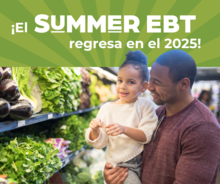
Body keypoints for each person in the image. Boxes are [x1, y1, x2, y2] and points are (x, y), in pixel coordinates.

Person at [104, 49, 220, 184]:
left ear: (183, 84)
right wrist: (117, 176)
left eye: (157, 82)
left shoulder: (202, 127)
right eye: (150, 79)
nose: (149, 87)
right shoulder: (156, 113)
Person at [85, 50, 158, 184]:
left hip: (144, 162)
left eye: (130, 82)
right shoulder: (107, 109)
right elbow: (100, 143)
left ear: (144, 87)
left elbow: (147, 136)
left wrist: (124, 129)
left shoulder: (146, 106)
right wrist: (95, 130)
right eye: (120, 80)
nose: (123, 87)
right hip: (121, 166)